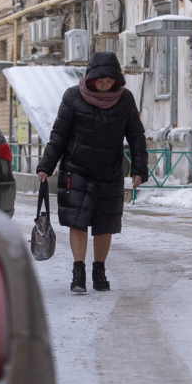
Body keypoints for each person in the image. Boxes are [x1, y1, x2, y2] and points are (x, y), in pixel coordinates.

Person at [36, 52, 148, 294]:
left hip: (110, 172)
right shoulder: (73, 97)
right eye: (101, 80)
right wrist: (46, 165)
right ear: (91, 78)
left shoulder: (125, 99)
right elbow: (59, 135)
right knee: (78, 222)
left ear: (116, 80)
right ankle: (79, 271)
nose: (105, 85)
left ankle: (99, 270)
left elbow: (136, 135)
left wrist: (139, 168)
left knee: (105, 223)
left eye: (110, 80)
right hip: (77, 170)